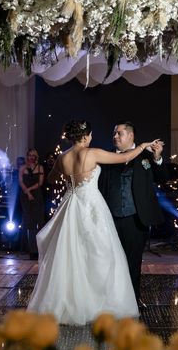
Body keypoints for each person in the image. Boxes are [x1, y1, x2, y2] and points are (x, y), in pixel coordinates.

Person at [27, 120, 160, 324]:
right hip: (91, 206)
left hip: (70, 205)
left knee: (70, 254)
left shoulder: (62, 157)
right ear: (86, 136)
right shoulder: (92, 153)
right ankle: (98, 302)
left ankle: (69, 301)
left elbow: (52, 179)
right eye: (90, 135)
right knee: (100, 254)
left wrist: (68, 179)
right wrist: (142, 146)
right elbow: (124, 157)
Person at [98, 121, 167, 305]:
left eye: (119, 133)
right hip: (110, 217)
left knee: (133, 261)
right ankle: (111, 301)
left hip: (136, 217)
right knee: (110, 261)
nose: (115, 137)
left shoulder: (147, 155)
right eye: (114, 133)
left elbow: (163, 179)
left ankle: (133, 300)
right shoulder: (107, 157)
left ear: (131, 136)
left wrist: (158, 158)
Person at [18, 148, 45, 259]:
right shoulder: (22, 168)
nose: (31, 157)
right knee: (28, 222)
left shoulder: (40, 167)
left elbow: (40, 182)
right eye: (29, 155)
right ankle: (30, 250)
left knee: (39, 221)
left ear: (36, 157)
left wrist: (30, 190)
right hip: (25, 197)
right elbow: (20, 181)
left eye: (33, 155)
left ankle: (40, 249)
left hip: (36, 196)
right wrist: (27, 192)